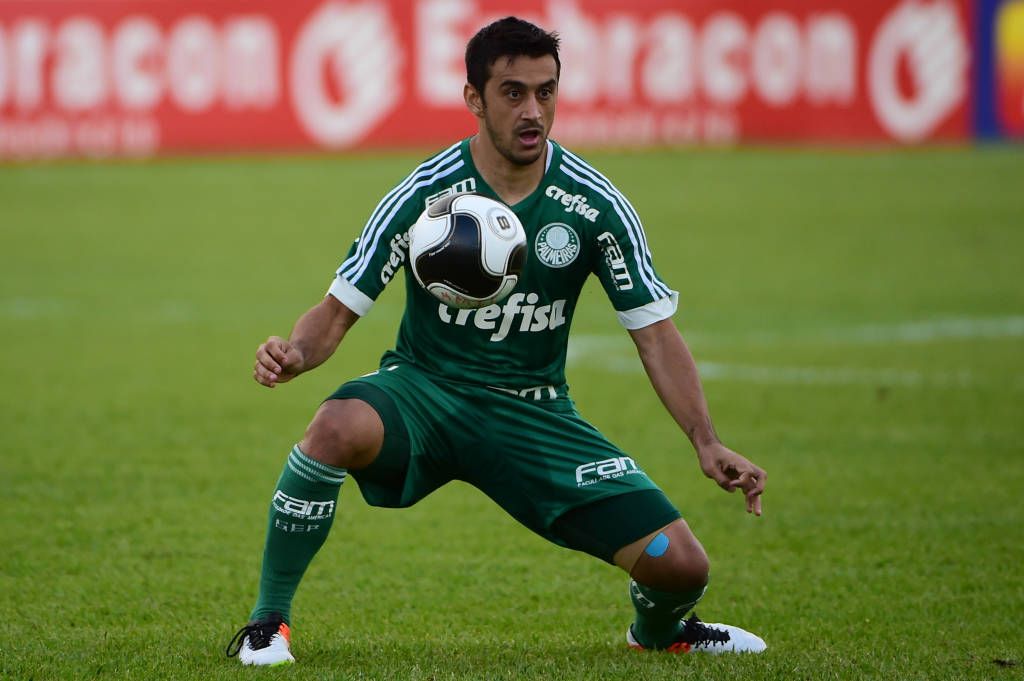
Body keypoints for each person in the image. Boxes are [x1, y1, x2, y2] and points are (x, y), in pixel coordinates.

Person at [226, 16, 768, 666]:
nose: (533, 110)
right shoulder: (426, 194)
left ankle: (660, 631)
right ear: (474, 99)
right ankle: (267, 623)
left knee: (680, 566)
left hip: (534, 410)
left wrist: (706, 441)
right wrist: (296, 353)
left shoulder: (594, 206)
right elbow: (338, 310)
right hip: (424, 393)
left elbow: (654, 334)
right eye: (513, 92)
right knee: (334, 426)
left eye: (546, 91)